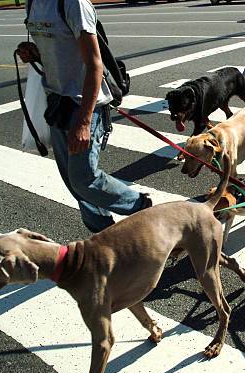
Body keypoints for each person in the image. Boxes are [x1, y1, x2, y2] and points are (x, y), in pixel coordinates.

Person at [18, 0, 151, 233]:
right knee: (74, 183)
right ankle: (104, 236)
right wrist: (35, 53)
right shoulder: (32, 3)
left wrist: (84, 121)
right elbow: (59, 47)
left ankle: (143, 208)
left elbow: (94, 65)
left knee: (84, 179)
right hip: (58, 102)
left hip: (85, 103)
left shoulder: (73, 4)